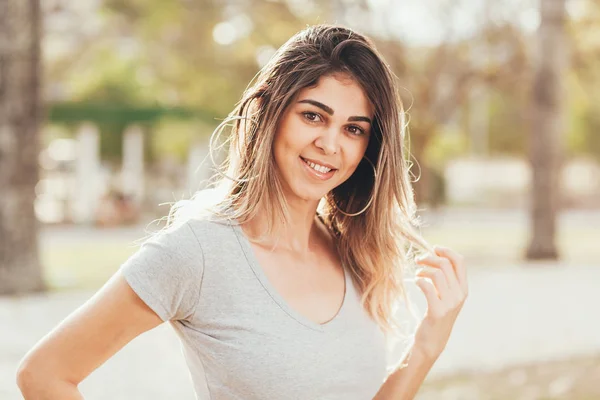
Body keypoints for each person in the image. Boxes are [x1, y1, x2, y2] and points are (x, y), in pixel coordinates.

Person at [16, 24, 468, 399]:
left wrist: (426, 344)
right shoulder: (199, 252)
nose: (330, 144)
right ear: (271, 110)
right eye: (313, 116)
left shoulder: (353, 252)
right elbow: (45, 374)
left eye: (353, 129)